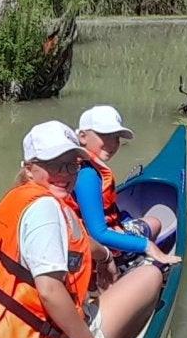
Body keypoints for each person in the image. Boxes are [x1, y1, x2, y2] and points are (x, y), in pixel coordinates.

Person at [0, 120, 165, 338]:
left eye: (72, 163)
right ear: (30, 169)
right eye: (53, 164)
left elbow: (80, 239)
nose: (65, 172)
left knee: (102, 287)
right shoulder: (46, 211)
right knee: (150, 275)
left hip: (9, 334)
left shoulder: (22, 198)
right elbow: (50, 290)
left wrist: (105, 257)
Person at [73, 105, 178, 270]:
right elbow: (98, 234)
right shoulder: (88, 175)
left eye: (116, 137)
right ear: (82, 137)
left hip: (86, 240)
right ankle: (129, 263)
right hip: (97, 249)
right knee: (154, 222)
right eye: (105, 135)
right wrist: (147, 245)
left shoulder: (73, 166)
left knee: (125, 217)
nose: (112, 143)